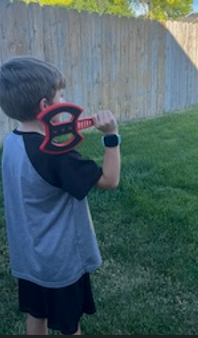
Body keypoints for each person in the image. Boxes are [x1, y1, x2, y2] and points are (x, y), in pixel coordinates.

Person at [0, 56, 121, 335]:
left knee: (36, 315)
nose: (65, 99)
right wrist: (111, 136)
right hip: (60, 262)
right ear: (46, 106)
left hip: (29, 257)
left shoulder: (12, 141)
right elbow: (109, 181)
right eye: (62, 95)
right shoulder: (56, 155)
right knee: (70, 326)